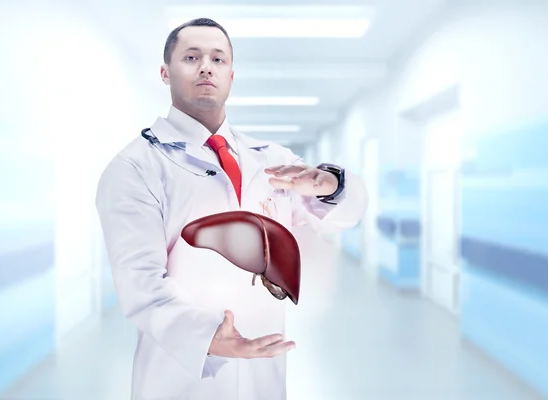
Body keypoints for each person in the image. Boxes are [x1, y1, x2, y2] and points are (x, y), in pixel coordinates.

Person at [95, 17, 368, 400]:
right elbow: (140, 283)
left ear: (232, 75)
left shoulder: (272, 160)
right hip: (182, 377)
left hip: (263, 371)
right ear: (164, 72)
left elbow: (341, 217)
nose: (207, 66)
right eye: (191, 57)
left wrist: (332, 184)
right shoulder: (136, 167)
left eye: (218, 59)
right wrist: (208, 336)